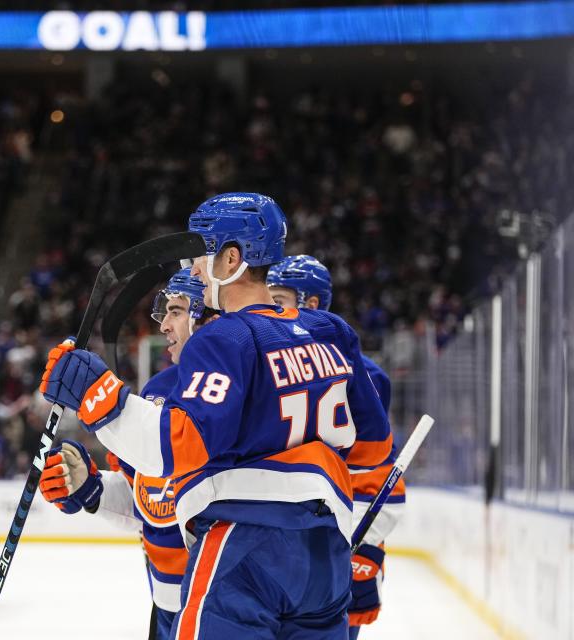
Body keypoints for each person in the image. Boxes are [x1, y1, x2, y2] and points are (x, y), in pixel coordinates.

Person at [39, 192, 394, 638]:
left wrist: (96, 394)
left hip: (244, 548)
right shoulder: (331, 331)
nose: (192, 271)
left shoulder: (226, 336)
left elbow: (177, 447)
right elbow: (372, 450)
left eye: (200, 256)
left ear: (232, 260)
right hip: (324, 556)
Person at [39, 268, 212, 640]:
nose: (164, 325)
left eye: (177, 311)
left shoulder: (237, 386)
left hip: (223, 606)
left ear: (210, 315)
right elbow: (148, 501)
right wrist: (89, 488)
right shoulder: (159, 387)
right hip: (165, 607)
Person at [268, 254, 406, 639]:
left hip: (339, 532)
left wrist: (365, 539)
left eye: (278, 298)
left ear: (311, 303)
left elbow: (372, 464)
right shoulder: (275, 359)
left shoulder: (365, 376)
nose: (269, 307)